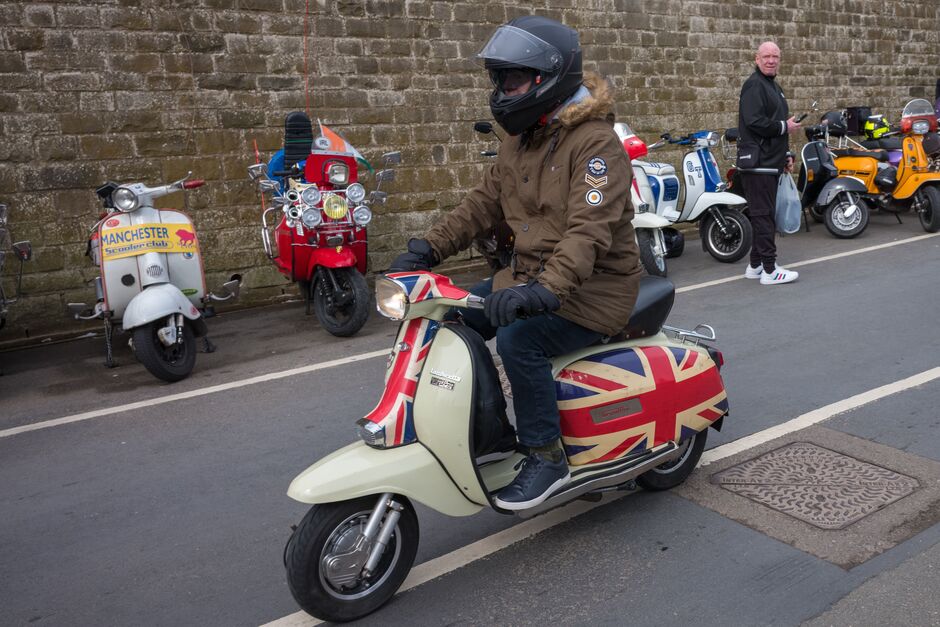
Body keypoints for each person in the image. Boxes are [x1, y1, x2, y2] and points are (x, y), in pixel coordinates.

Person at [388, 15, 642, 511]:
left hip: (592, 289)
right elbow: (480, 205)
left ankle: (547, 457)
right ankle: (492, 432)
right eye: (500, 80)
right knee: (449, 318)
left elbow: (588, 232)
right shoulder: (519, 141)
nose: (505, 91)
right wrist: (427, 249)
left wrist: (545, 291)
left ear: (550, 79)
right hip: (527, 279)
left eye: (515, 79)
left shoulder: (595, 145)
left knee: (519, 339)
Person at [737, 41, 801, 285]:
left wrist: (785, 155)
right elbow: (754, 121)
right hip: (758, 164)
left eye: (775, 56)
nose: (771, 60)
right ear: (757, 59)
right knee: (764, 216)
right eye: (766, 56)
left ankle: (755, 266)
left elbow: (775, 123)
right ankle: (770, 270)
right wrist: (786, 126)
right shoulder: (754, 85)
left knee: (762, 215)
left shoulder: (773, 86)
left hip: (769, 162)